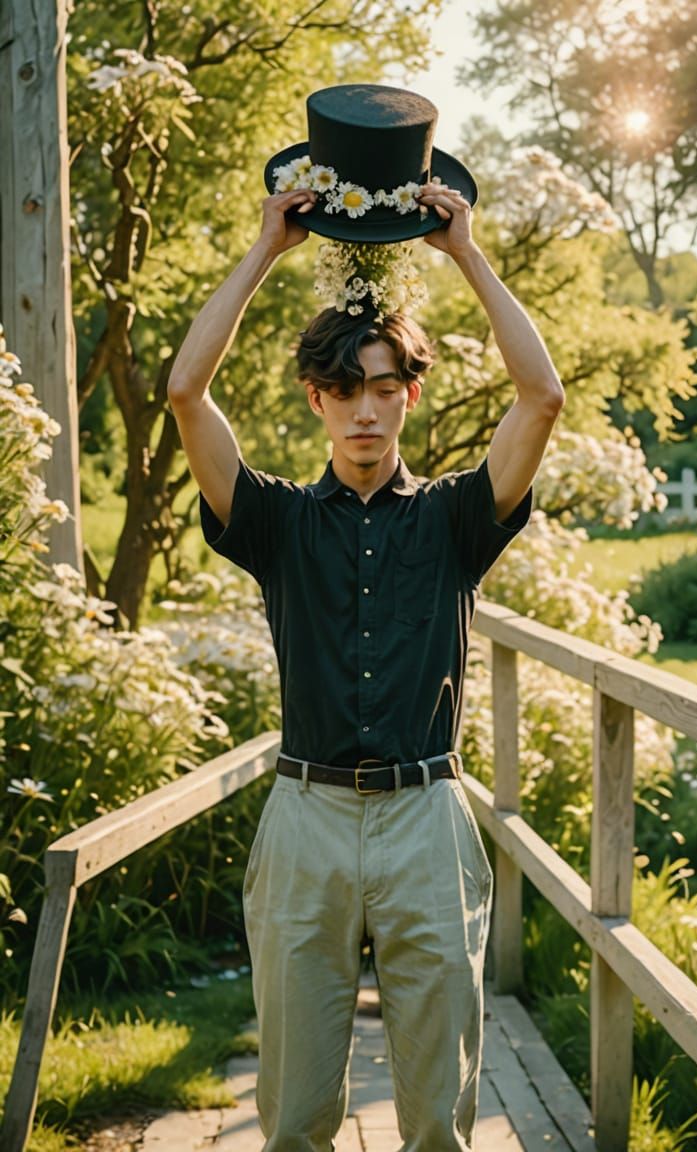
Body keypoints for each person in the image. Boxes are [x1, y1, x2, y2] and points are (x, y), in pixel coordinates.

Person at [167, 88, 564, 1152]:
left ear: (409, 397)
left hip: (425, 821)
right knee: (296, 1112)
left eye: (383, 387)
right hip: (303, 818)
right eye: (343, 390)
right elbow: (186, 393)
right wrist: (263, 249)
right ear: (314, 399)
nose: (365, 409)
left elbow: (540, 400)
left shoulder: (451, 522)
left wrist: (465, 256)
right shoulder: (278, 523)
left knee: (438, 1113)